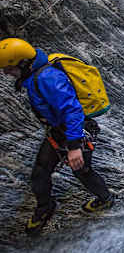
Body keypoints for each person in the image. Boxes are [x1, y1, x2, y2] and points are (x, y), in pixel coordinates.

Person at [0, 38, 114, 235]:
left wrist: (74, 146)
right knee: (40, 172)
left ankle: (106, 199)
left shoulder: (48, 78)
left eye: (9, 68)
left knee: (82, 170)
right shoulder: (35, 76)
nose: (5, 73)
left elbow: (72, 111)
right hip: (60, 131)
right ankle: (46, 207)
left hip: (76, 131)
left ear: (23, 63)